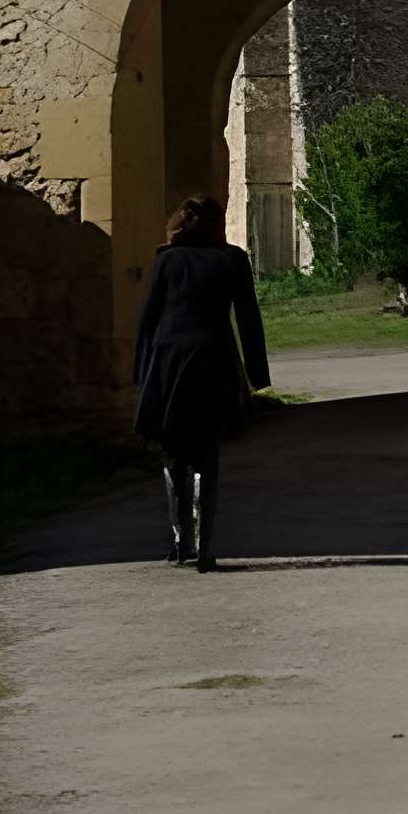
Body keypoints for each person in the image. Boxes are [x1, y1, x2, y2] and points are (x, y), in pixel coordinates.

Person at [131, 193, 269, 571]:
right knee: (207, 456)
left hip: (169, 359)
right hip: (214, 359)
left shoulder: (168, 259)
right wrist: (257, 373)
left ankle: (180, 541)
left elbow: (150, 317)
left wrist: (141, 372)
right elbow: (248, 316)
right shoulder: (233, 260)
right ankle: (206, 547)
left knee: (173, 450)